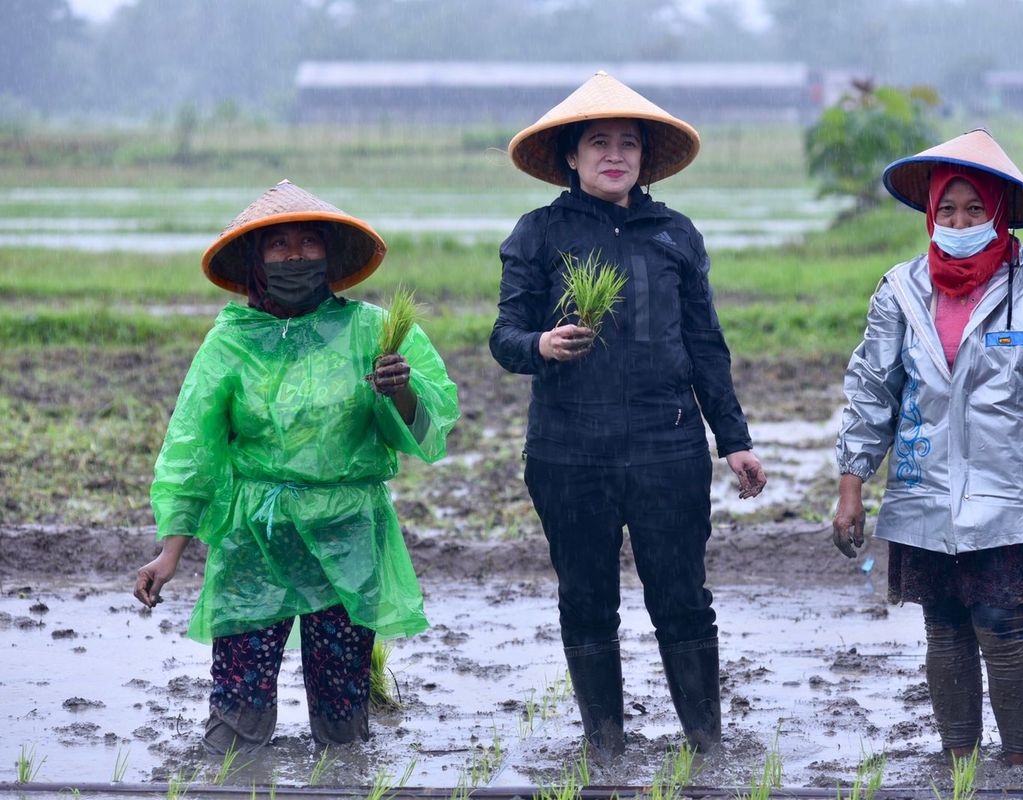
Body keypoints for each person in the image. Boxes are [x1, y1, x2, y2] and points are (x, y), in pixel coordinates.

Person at [490, 71, 766, 757]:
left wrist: (734, 440)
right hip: (567, 450)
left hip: (666, 443)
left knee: (681, 593)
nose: (615, 155)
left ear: (644, 159)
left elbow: (706, 345)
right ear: (572, 157)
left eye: (628, 144)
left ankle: (706, 741)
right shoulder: (538, 233)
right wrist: (542, 345)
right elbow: (504, 337)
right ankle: (604, 742)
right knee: (586, 596)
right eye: (598, 143)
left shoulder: (674, 234)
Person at [133, 180, 459, 754]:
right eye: (278, 245)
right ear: (255, 261)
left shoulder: (371, 331)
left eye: (309, 242)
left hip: (347, 533)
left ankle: (344, 781)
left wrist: (400, 391)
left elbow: (431, 429)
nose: (295, 255)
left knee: (342, 711)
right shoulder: (230, 344)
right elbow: (192, 449)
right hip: (255, 539)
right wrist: (171, 549)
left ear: (329, 254)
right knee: (238, 709)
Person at [832, 130, 1023, 766]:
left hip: (1012, 493)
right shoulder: (901, 291)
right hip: (925, 488)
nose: (959, 223)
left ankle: (1017, 766)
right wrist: (852, 482)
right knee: (944, 627)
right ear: (932, 215)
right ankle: (960, 761)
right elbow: (873, 388)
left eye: (974, 210)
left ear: (1001, 212)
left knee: (1004, 625)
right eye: (947, 211)